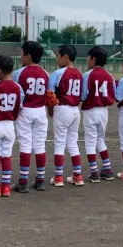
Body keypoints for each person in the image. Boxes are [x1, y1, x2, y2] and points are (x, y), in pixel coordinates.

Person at [12, 41, 50, 193]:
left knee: (25, 145)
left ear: (27, 56)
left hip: (25, 110)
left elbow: (15, 93)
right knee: (40, 145)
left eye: (22, 53)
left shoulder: (19, 73)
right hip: (41, 111)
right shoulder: (45, 73)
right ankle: (40, 180)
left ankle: (23, 182)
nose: (20, 56)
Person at [0, 55, 24, 198]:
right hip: (9, 125)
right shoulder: (18, 87)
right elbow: (19, 108)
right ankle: (6, 187)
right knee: (6, 156)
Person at [48, 44, 84, 186]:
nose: (57, 59)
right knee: (73, 142)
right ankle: (78, 175)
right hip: (75, 110)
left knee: (59, 143)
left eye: (58, 56)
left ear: (65, 57)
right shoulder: (79, 73)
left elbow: (50, 94)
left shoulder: (58, 73)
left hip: (62, 108)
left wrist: (50, 109)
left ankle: (58, 177)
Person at [81, 46, 116, 183]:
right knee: (100, 139)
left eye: (88, 58)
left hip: (91, 110)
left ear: (93, 59)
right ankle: (107, 169)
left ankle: (94, 172)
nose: (87, 61)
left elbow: (83, 95)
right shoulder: (110, 76)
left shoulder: (88, 75)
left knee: (90, 141)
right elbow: (112, 95)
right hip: (103, 110)